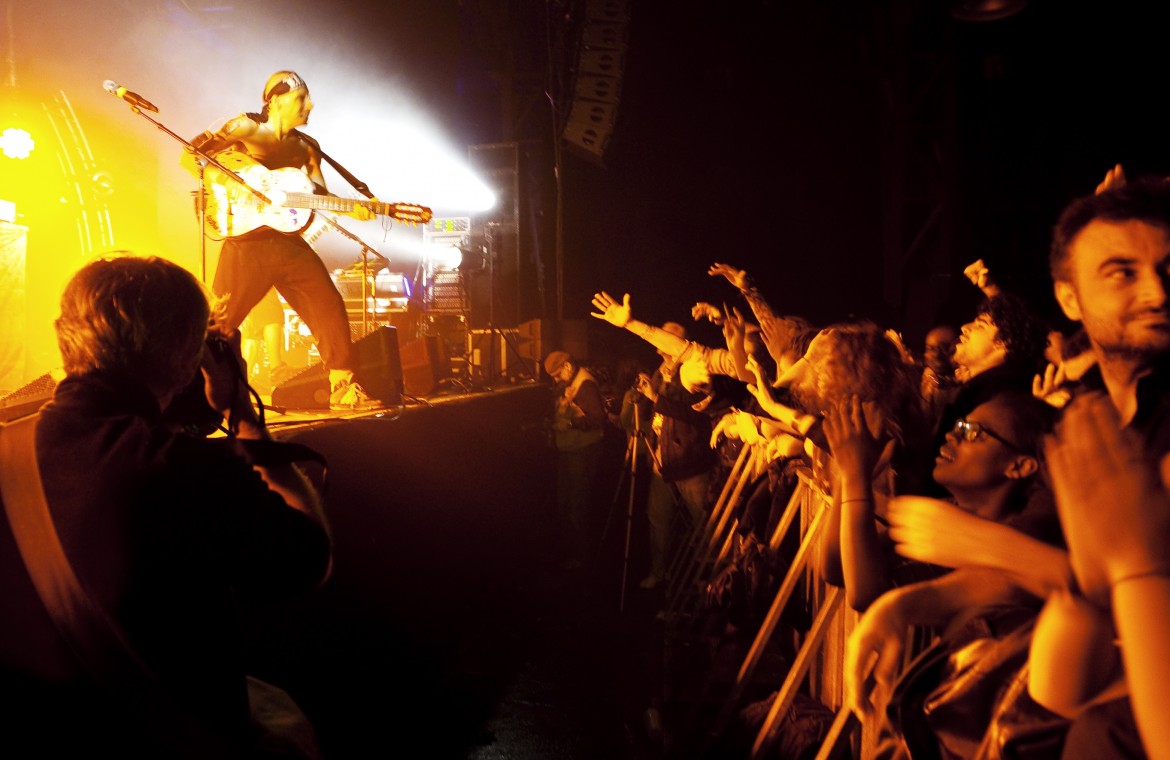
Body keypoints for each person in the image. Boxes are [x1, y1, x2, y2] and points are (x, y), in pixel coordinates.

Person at [0, 254, 332, 755]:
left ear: (61, 334)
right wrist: (245, 420)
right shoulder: (184, 467)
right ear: (186, 355)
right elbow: (309, 561)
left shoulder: (7, 450)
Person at [1023, 173, 1170, 758]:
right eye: (1123, 273)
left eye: (1168, 270)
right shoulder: (1096, 427)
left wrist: (1130, 568)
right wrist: (917, 601)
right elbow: (1059, 690)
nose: (1159, 293)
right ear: (1068, 297)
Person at [183, 70, 376, 409]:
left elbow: (318, 196)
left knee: (327, 304)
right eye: (302, 98)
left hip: (288, 243)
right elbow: (190, 156)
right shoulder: (243, 128)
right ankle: (192, 393)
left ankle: (344, 388)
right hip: (245, 243)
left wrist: (352, 208)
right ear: (276, 100)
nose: (310, 105)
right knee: (219, 322)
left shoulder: (307, 149)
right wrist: (227, 181)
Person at [545, 349, 607, 570]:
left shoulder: (586, 385)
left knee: (578, 506)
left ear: (567, 367)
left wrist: (570, 425)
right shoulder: (571, 383)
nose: (555, 379)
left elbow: (598, 419)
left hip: (583, 452)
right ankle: (572, 554)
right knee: (567, 503)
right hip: (571, 450)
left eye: (556, 374)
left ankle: (583, 559)